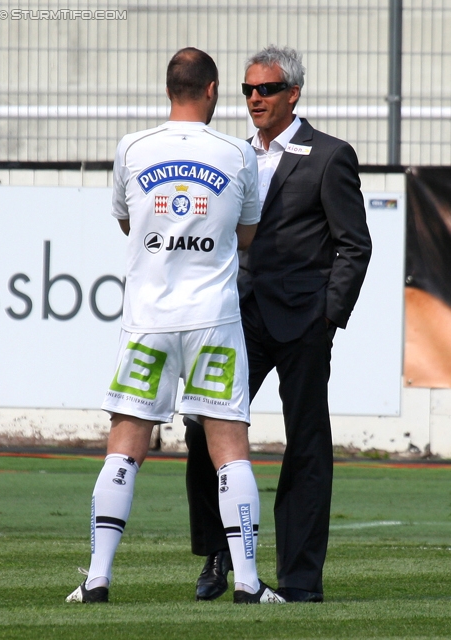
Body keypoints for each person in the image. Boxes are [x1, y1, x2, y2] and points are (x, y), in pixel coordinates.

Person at [65, 47, 284, 605]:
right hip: (213, 319)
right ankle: (247, 582)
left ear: (170, 90)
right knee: (229, 446)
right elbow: (248, 235)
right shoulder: (237, 153)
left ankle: (96, 579)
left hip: (148, 321)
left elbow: (125, 221)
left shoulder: (133, 148)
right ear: (211, 90)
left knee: (125, 445)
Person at [184, 45, 372, 603]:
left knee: (308, 446)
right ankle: (218, 556)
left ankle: (300, 579)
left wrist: (327, 318)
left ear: (293, 93)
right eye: (246, 90)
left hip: (303, 323)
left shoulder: (330, 156)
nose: (254, 99)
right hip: (236, 316)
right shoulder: (233, 156)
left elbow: (354, 247)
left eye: (265, 89)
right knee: (201, 429)